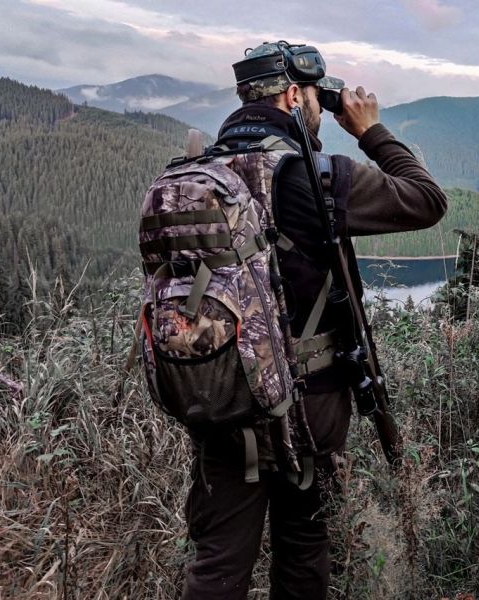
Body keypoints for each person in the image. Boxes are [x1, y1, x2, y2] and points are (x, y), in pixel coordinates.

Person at [180, 41, 447, 600]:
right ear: (295, 94)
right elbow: (426, 200)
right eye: (316, 101)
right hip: (308, 407)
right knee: (302, 555)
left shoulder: (195, 176)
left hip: (219, 403)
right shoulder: (312, 176)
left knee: (217, 566)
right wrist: (370, 131)